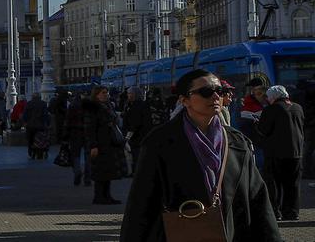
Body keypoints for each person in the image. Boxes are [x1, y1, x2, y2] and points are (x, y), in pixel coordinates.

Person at [120, 68, 281, 242]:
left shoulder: (237, 141)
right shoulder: (160, 142)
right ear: (184, 100)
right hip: (180, 233)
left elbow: (257, 198)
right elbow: (141, 202)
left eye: (220, 91)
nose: (215, 96)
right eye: (206, 92)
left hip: (232, 232)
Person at [256, 84, 303, 222]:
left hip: (275, 152)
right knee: (293, 184)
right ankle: (292, 212)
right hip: (296, 152)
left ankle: (275, 212)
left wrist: (257, 124)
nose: (267, 100)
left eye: (269, 97)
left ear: (274, 97)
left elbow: (263, 130)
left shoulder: (271, 109)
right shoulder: (298, 108)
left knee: (274, 184)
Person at [83, 86, 124, 205]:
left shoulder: (108, 105)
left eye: (107, 92)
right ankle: (99, 196)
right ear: (96, 95)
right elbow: (90, 128)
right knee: (100, 171)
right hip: (100, 144)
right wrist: (93, 145)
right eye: (103, 93)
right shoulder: (93, 108)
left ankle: (107, 196)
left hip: (109, 143)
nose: (106, 95)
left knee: (108, 171)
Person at [123, 87, 155, 174]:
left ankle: (137, 171)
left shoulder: (137, 106)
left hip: (138, 135)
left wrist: (127, 137)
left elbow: (135, 123)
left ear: (134, 94)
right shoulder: (134, 104)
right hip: (140, 134)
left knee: (137, 154)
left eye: (130, 93)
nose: (128, 95)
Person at [23, 92, 50, 160]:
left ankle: (31, 152)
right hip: (41, 125)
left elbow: (25, 115)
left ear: (32, 97)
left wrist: (25, 122)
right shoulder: (43, 104)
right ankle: (41, 151)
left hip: (30, 126)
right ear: (40, 97)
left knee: (30, 140)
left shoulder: (29, 103)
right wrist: (47, 124)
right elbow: (46, 115)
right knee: (41, 139)